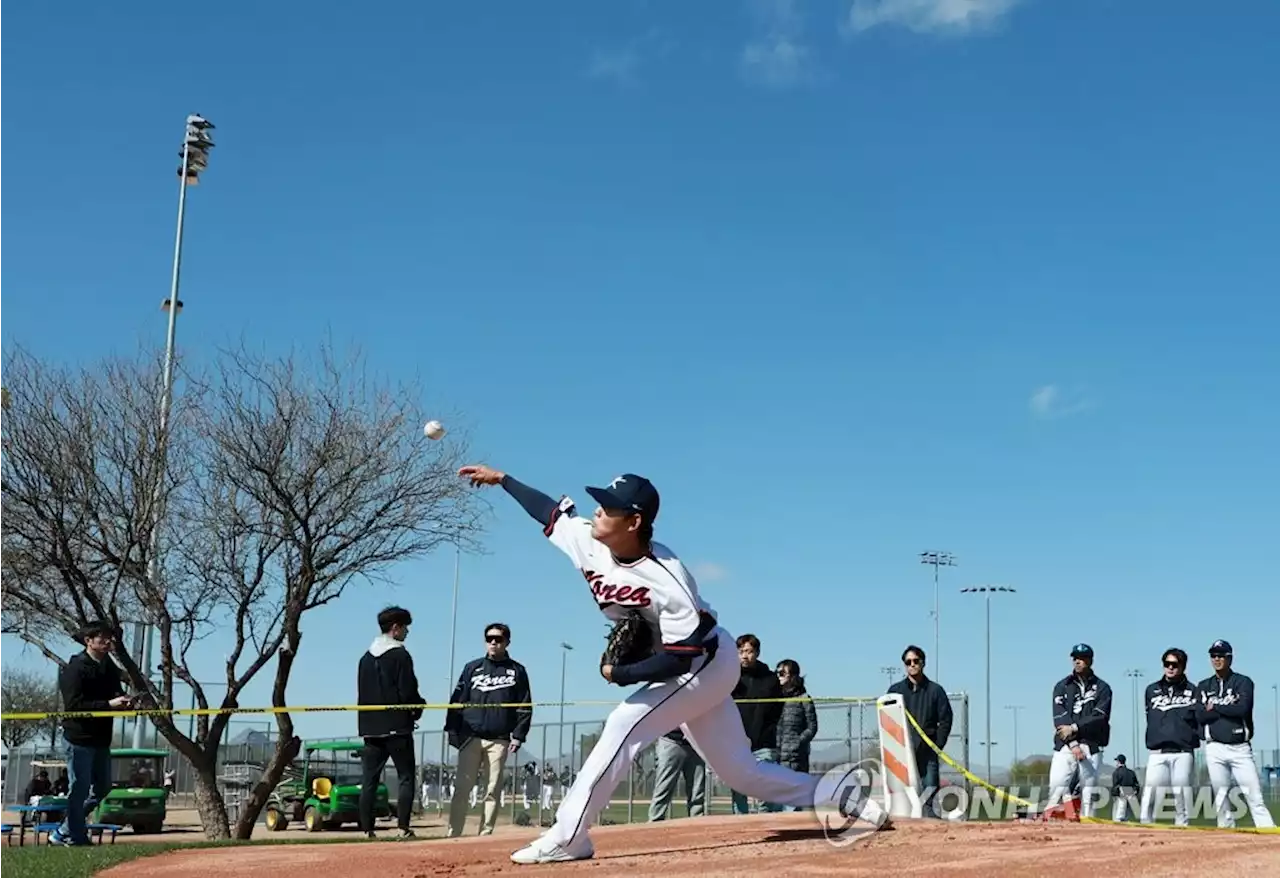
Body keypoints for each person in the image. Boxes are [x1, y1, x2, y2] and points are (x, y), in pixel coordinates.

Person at [457, 464, 874, 864]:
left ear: (634, 522)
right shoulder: (589, 539)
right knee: (741, 774)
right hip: (686, 663)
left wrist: (621, 674)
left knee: (624, 723)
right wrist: (503, 479)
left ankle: (569, 836)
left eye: (609, 505)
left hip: (706, 662)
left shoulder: (668, 576)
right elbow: (546, 510)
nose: (597, 510)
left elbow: (681, 657)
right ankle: (840, 793)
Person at [445, 622, 533, 837]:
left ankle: (485, 834)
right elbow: (456, 701)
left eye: (498, 639)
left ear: (507, 642)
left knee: (492, 789)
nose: (493, 642)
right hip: (470, 737)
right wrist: (452, 731)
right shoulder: (471, 668)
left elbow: (524, 705)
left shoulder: (517, 671)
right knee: (462, 789)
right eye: (489, 638)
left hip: (500, 739)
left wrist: (519, 735)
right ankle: (453, 833)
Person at [51, 621, 134, 847]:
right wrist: (109, 704)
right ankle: (75, 837)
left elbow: (115, 692)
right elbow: (75, 705)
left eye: (110, 638)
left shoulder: (108, 666)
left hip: (101, 739)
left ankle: (65, 828)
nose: (108, 642)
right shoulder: (75, 668)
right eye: (102, 638)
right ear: (89, 641)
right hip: (78, 739)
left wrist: (124, 701)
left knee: (103, 787)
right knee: (79, 787)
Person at [356, 605, 423, 840]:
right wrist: (417, 708)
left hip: (370, 727)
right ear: (396, 628)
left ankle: (367, 829)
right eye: (405, 628)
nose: (406, 633)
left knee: (369, 780)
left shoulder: (365, 657)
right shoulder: (400, 655)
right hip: (397, 726)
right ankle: (403, 828)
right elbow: (408, 690)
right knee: (406, 777)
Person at [1196, 640, 1274, 828]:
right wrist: (1227, 707)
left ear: (1230, 658)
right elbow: (1199, 715)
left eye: (1221, 655)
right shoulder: (1204, 685)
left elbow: (1242, 710)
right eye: (1213, 655)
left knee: (1254, 796)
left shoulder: (1243, 682)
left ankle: (1270, 837)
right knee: (1221, 800)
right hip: (1214, 747)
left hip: (1240, 748)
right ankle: (1226, 839)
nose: (1217, 659)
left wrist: (1214, 707)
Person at [886, 645, 952, 818]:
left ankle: (931, 830)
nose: (912, 665)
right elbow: (887, 720)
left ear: (923, 663)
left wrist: (937, 745)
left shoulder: (936, 691)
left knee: (928, 794)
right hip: (902, 754)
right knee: (903, 800)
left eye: (916, 661)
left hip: (927, 752)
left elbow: (946, 719)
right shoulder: (895, 691)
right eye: (908, 662)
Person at [1047, 643, 1112, 819]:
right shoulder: (1062, 686)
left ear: (1090, 660)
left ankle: (1087, 832)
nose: (1077, 661)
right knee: (1056, 786)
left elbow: (1099, 716)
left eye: (1082, 658)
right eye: (1075, 658)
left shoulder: (1102, 688)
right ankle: (1052, 827)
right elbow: (1060, 718)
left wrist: (1075, 728)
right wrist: (1073, 744)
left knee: (1089, 795)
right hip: (1065, 745)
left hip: (1091, 745)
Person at [1138, 647, 1198, 826]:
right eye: (1167, 664)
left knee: (1181, 796)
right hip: (1158, 751)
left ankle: (1183, 829)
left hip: (1183, 751)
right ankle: (1145, 827)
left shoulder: (1193, 690)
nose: (1170, 668)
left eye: (1175, 664)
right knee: (1150, 793)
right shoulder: (1152, 690)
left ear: (1183, 666)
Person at [730, 634, 784, 814]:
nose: (745, 655)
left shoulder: (770, 679)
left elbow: (778, 708)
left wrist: (767, 727)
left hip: (763, 742)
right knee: (739, 787)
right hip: (736, 742)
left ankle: (766, 820)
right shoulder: (729, 677)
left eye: (749, 651)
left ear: (757, 652)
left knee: (766, 785)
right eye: (741, 651)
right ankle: (741, 824)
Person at [775, 659, 818, 812]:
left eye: (782, 673)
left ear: (792, 676)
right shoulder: (775, 698)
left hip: (796, 757)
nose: (778, 676)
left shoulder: (804, 698)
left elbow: (812, 727)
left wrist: (798, 743)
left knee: (796, 796)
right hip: (777, 755)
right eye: (777, 673)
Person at [647, 729, 707, 821]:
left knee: (697, 792)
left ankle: (697, 823)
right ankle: (654, 822)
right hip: (671, 740)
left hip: (695, 743)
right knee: (663, 788)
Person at [1111, 756, 1140, 822]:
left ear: (1118, 762)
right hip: (1130, 790)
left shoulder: (1116, 772)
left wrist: (1114, 793)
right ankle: (1126, 821)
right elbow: (1136, 784)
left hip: (1121, 790)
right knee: (1127, 809)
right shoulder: (1131, 772)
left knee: (1120, 807)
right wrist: (1136, 791)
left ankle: (1118, 820)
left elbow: (1115, 784)